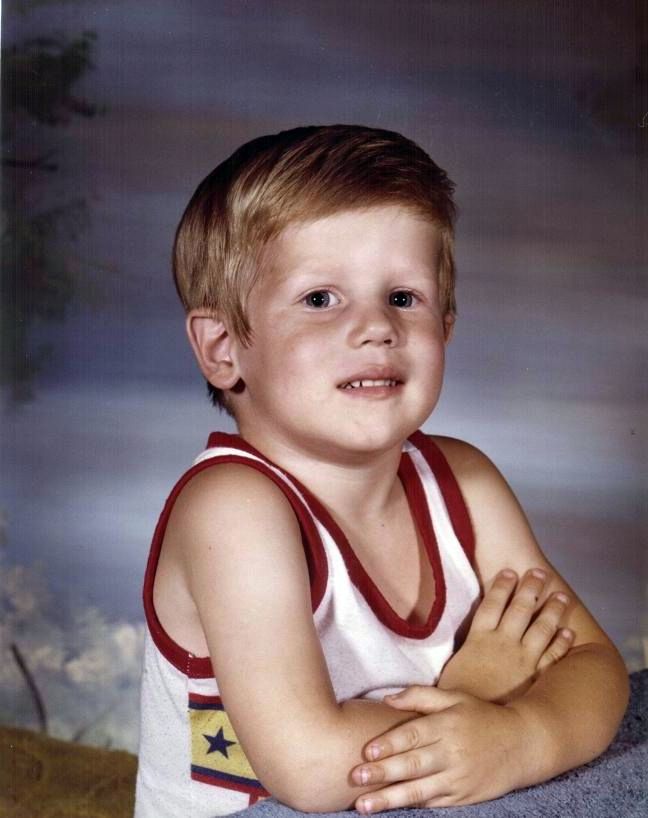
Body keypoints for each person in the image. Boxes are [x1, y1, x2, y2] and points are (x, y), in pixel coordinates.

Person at [134, 125, 629, 818]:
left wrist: (525, 736)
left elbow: (595, 667)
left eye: (403, 297)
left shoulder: (465, 482)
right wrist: (475, 694)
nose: (377, 327)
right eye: (320, 299)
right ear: (223, 348)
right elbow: (311, 769)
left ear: (446, 325)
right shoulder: (233, 507)